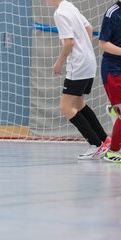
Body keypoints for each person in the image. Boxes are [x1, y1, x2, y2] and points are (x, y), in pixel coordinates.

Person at [46, 0, 110, 160]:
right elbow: (89, 28)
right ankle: (104, 139)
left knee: (66, 107)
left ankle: (95, 145)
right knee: (79, 104)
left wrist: (58, 63)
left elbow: (68, 43)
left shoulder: (60, 13)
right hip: (89, 61)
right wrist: (84, 47)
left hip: (78, 64)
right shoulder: (69, 5)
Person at [99, 1, 121, 162]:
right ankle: (113, 152)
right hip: (114, 70)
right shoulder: (112, 13)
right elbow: (103, 44)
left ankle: (115, 112)